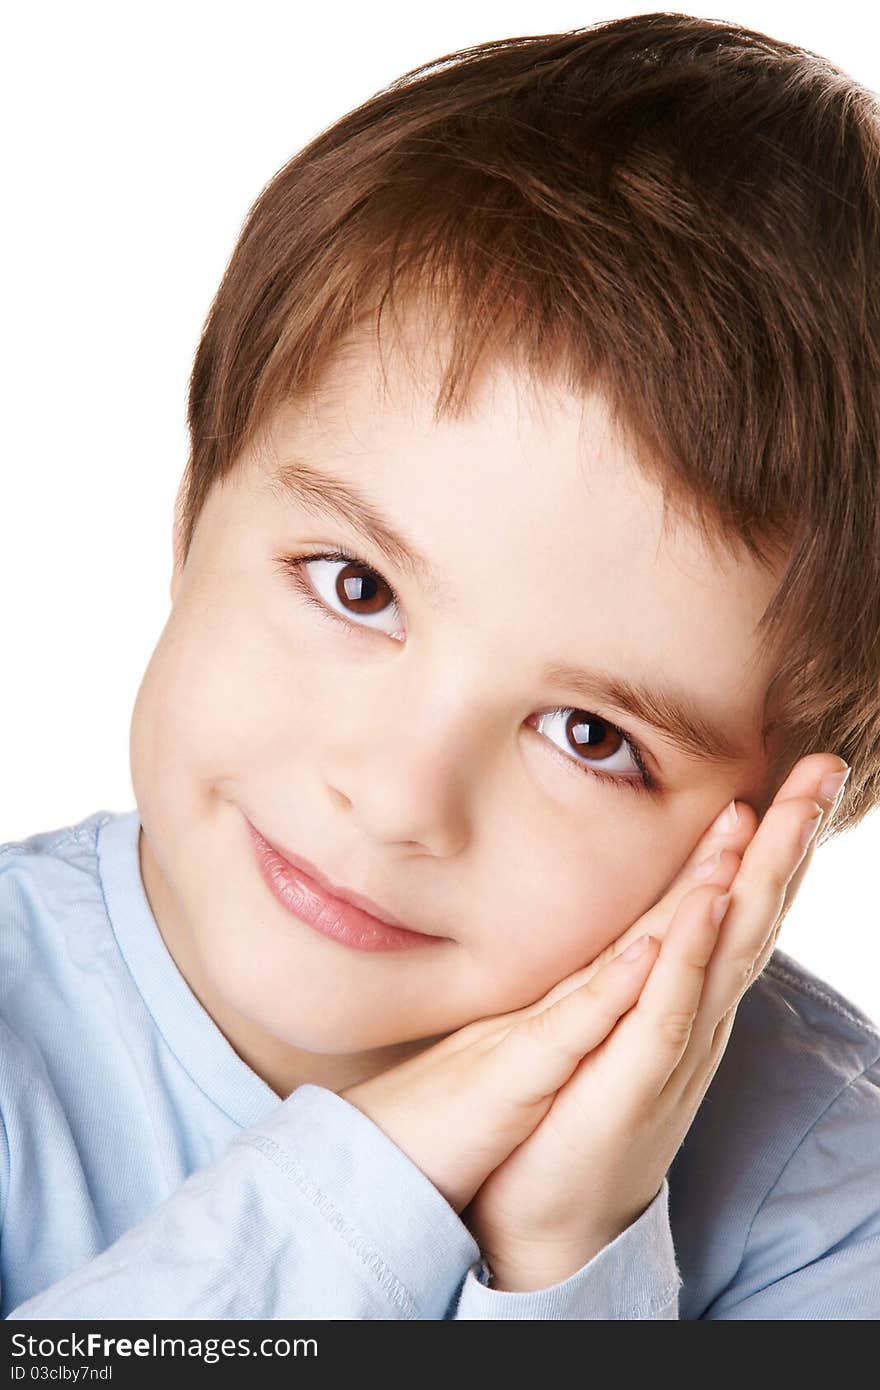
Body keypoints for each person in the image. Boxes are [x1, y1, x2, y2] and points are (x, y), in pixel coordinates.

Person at [3, 11, 879, 1320]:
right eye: (357, 587)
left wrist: (571, 1247)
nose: (400, 793)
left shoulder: (830, 1193)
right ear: (192, 512)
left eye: (592, 735)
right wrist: (378, 1180)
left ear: (786, 833)